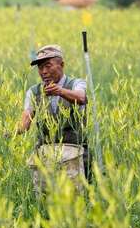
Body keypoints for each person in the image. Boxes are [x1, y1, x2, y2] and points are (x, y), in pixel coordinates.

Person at [17, 44, 89, 193]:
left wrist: (60, 91)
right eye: (40, 68)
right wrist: (10, 131)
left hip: (73, 154)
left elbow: (81, 98)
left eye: (48, 66)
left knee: (74, 199)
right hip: (45, 156)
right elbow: (25, 122)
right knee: (45, 200)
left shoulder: (76, 84)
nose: (44, 72)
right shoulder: (34, 92)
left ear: (61, 65)